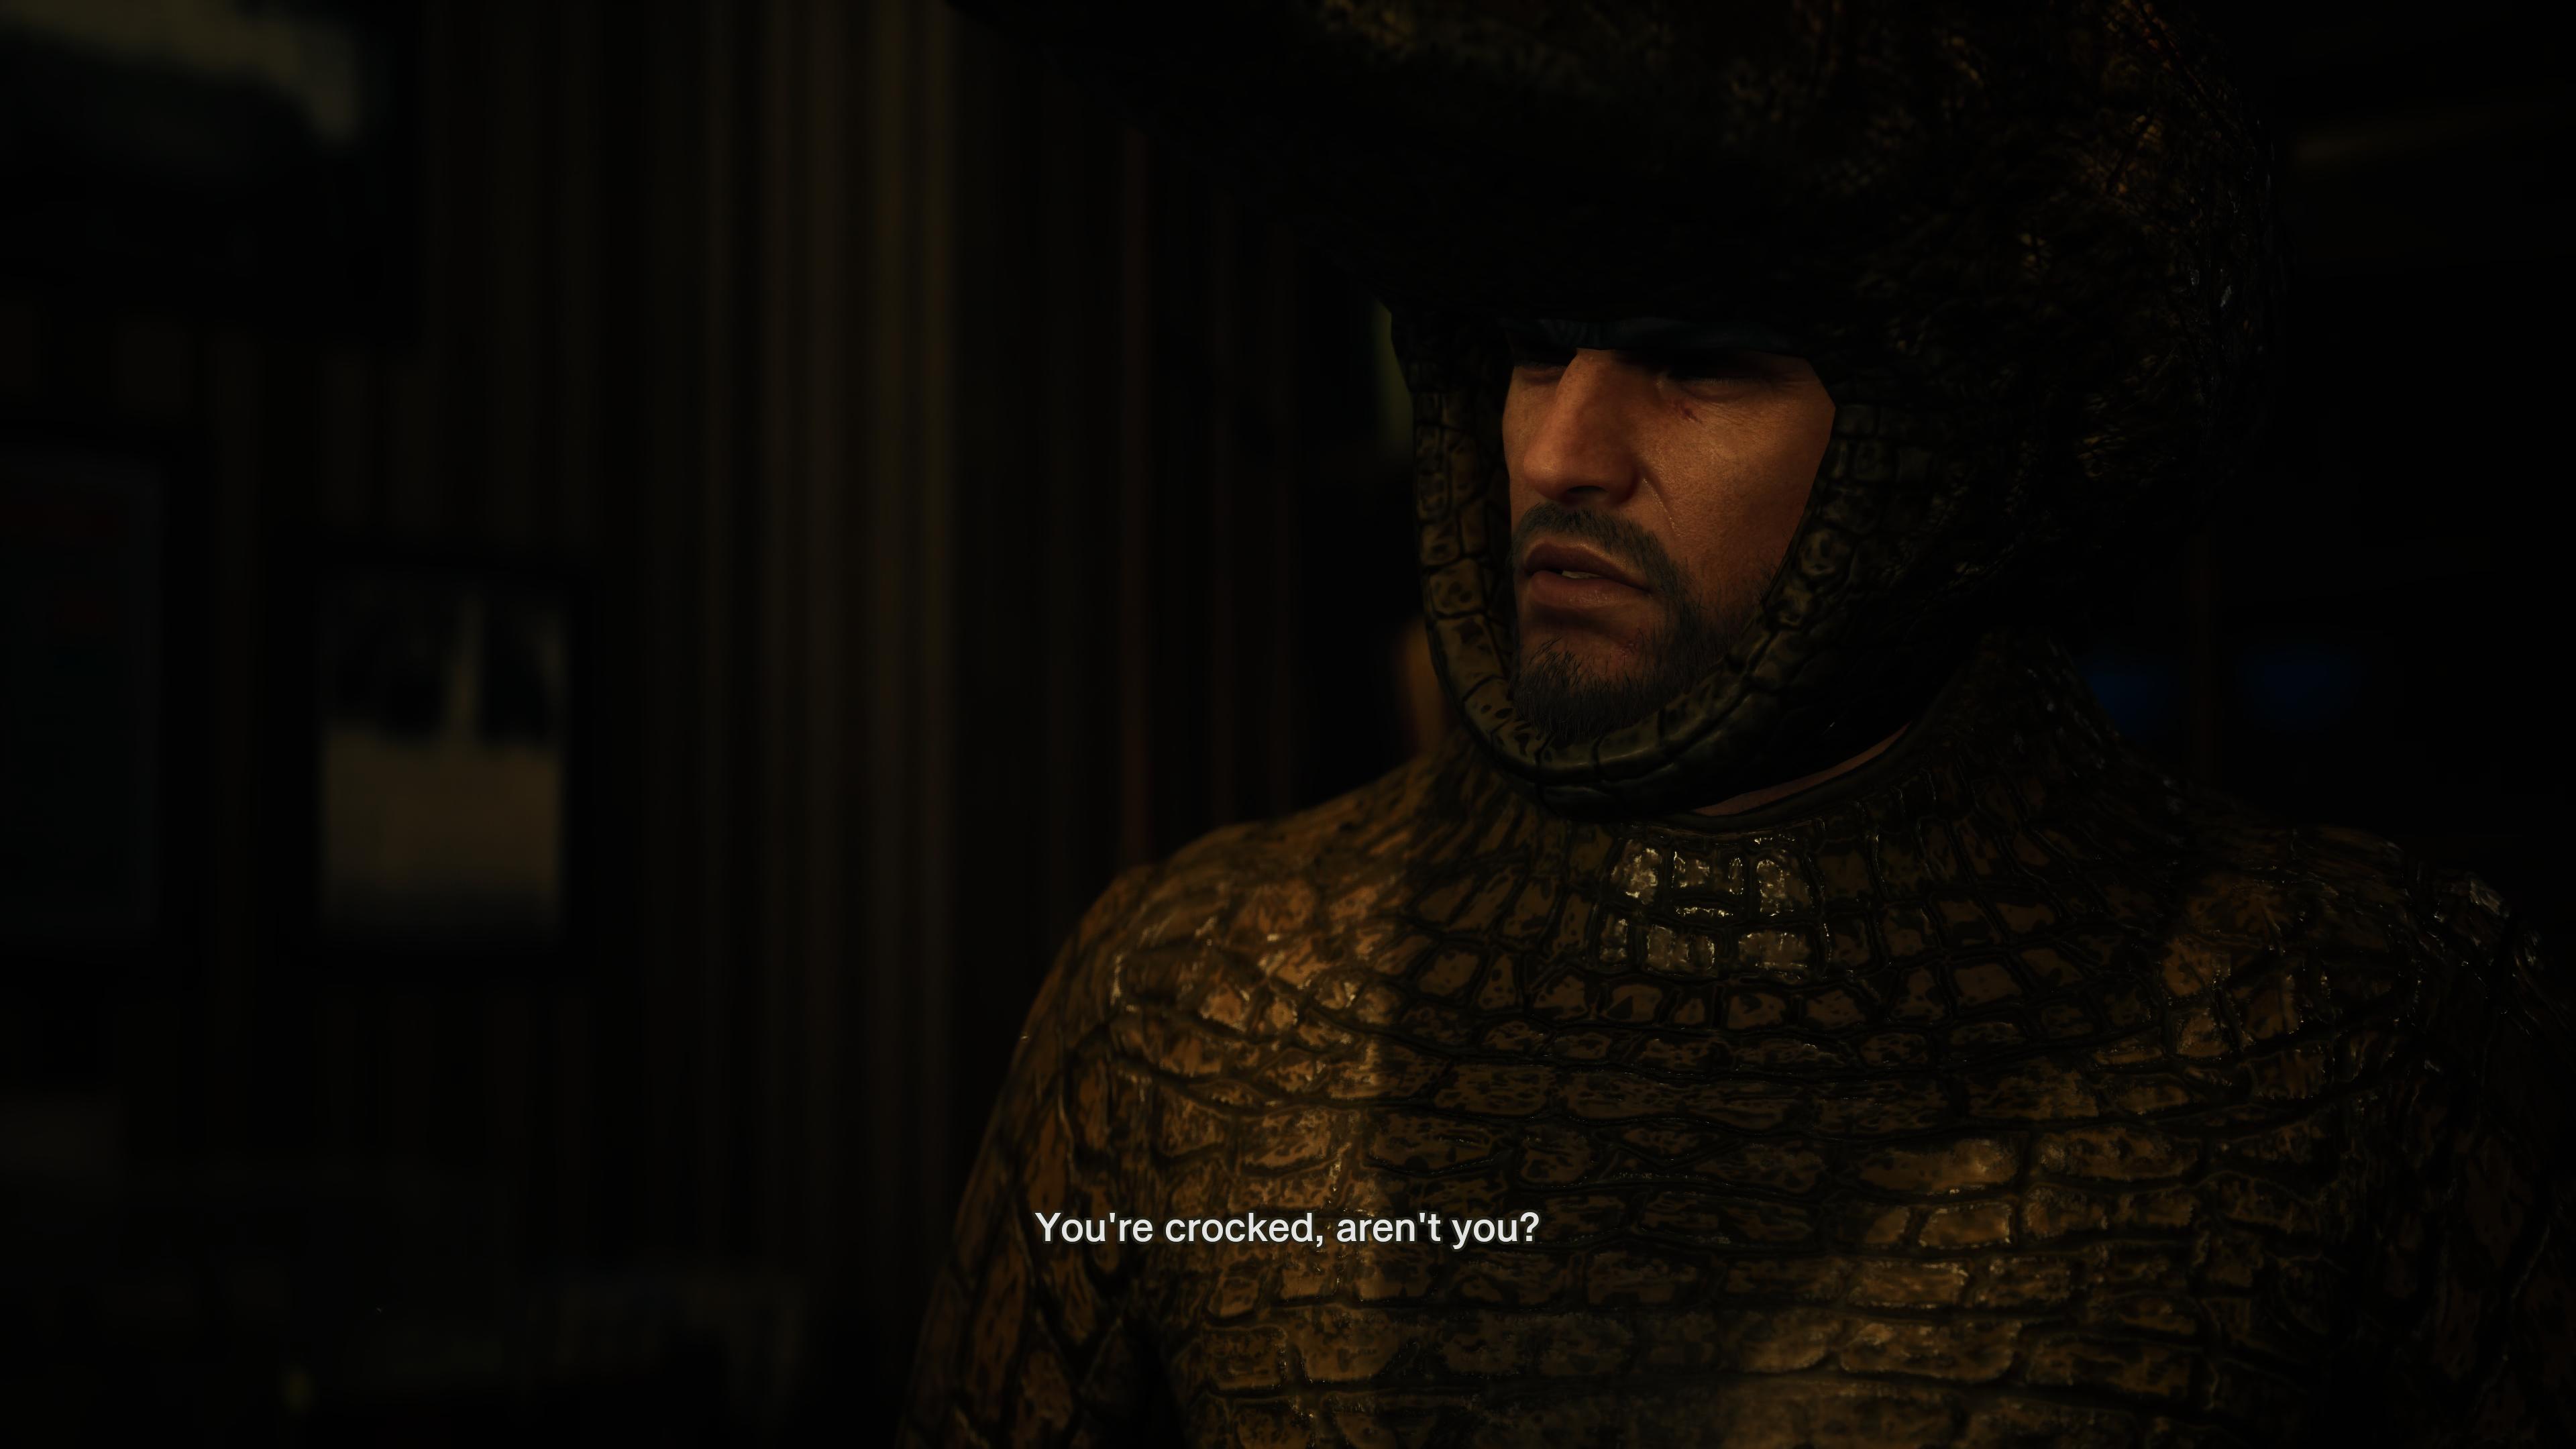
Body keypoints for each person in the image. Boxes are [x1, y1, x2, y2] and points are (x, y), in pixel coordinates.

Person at [904, 3, 2572, 1444]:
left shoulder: (2354, 1032)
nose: (1561, 454)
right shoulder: (1187, 999)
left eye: (1698, 364)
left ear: (1940, 441)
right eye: (1536, 346)